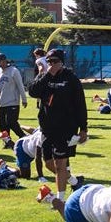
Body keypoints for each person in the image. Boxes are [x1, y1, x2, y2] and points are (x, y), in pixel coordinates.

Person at [27, 49, 88, 203]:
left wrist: (83, 128)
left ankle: (61, 200)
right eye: (49, 62)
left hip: (66, 128)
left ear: (62, 62)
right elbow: (33, 92)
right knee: (48, 164)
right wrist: (46, 74)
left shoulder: (71, 79)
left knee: (60, 164)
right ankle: (74, 182)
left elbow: (80, 104)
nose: (52, 64)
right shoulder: (44, 77)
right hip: (47, 127)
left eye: (55, 61)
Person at [0, 52, 28, 146]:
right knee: (2, 124)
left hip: (13, 102)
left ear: (3, 61)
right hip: (2, 102)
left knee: (11, 122)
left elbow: (20, 85)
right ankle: (7, 142)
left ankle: (23, 137)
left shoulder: (14, 71)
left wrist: (24, 99)